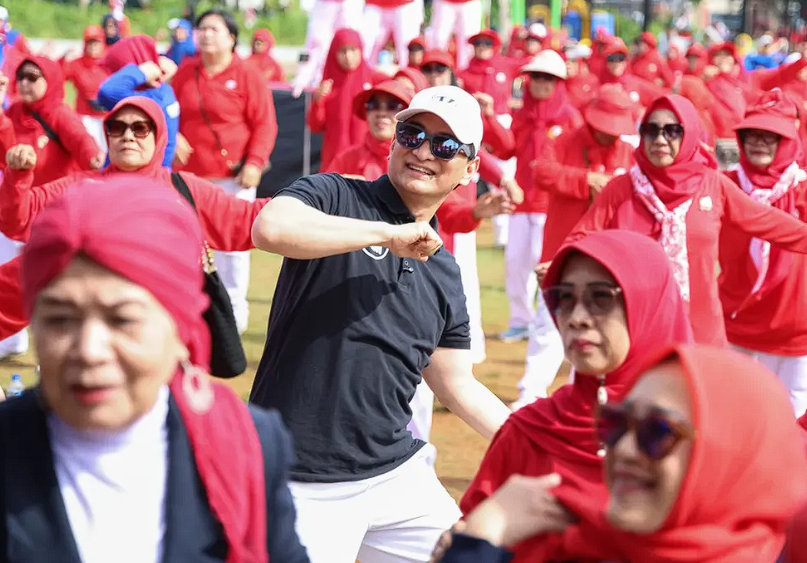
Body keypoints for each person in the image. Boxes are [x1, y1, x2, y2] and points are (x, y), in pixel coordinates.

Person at [249, 85, 512, 563]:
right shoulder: (335, 194)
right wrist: (387, 234)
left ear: (471, 169)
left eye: (445, 145)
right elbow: (270, 228)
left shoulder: (444, 270)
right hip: (304, 477)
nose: (423, 152)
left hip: (395, 473)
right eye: (412, 134)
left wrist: (537, 443)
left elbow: (456, 385)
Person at [0, 177, 309, 563]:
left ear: (180, 330)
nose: (89, 351)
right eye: (60, 320)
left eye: (122, 320)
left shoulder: (251, 444)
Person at [441, 344, 807, 563]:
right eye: (616, 423)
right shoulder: (586, 546)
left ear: (729, 458)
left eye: (658, 431)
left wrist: (480, 541)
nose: (626, 450)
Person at [456, 229, 693, 562]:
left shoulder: (694, 434)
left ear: (649, 304)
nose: (577, 318)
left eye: (601, 297)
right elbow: (473, 538)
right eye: (563, 298)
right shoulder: (530, 432)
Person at [566, 94, 807, 346]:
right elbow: (582, 237)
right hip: (635, 325)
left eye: (672, 131)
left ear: (690, 133)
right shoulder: (622, 189)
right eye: (651, 130)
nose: (660, 139)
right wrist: (559, 267)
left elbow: (766, 221)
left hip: (700, 329)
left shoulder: (712, 185)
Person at [0, 97, 266, 276]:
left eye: (140, 128)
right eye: (117, 128)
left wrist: (306, 193)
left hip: (164, 335)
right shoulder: (82, 188)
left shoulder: (184, 189)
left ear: (159, 135)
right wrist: (18, 177)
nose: (127, 136)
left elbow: (248, 220)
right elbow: (17, 221)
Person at [172, 8, 278, 335]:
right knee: (188, 244)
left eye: (213, 29)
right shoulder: (184, 72)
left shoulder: (246, 75)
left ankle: (233, 314)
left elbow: (265, 123)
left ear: (231, 38)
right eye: (201, 28)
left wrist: (255, 162)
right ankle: (192, 310)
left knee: (233, 251)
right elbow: (165, 109)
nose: (205, 34)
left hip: (232, 177)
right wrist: (172, 135)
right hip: (189, 177)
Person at [719, 90, 807, 416]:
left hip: (794, 328)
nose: (759, 143)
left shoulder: (802, 188)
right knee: (734, 413)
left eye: (771, 136)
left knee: (791, 421)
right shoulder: (723, 184)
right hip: (735, 321)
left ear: (788, 141)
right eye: (751, 134)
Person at [0, 56, 103, 186]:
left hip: (56, 197)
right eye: (20, 76)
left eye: (32, 77)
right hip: (24, 196)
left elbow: (79, 138)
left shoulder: (59, 113)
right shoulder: (14, 111)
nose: (24, 82)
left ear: (50, 79)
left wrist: (92, 157)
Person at [307, 29, 384, 171]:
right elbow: (315, 125)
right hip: (335, 162)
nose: (348, 56)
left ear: (361, 51)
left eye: (353, 50)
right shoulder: (327, 86)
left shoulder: (374, 80)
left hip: (366, 164)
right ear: (333, 54)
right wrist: (318, 102)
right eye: (343, 51)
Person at [97, 35, 180, 167]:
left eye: (118, 71)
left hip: (138, 181)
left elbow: (107, 92)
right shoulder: (163, 92)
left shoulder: (146, 99)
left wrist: (140, 72)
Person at [326, 79, 414, 178]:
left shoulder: (416, 160)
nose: (381, 113)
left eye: (392, 106)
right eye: (374, 106)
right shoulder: (347, 159)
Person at [291, 0, 364, 97]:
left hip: (350, 3)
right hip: (325, 2)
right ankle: (306, 77)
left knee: (352, 41)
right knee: (316, 40)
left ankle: (358, 82)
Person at [61, 25, 109, 150]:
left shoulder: (109, 62)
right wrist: (63, 58)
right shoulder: (77, 64)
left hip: (106, 115)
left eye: (96, 43)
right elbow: (57, 76)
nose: (93, 46)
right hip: (85, 116)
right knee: (87, 150)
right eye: (90, 42)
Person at [359, 0, 423, 67]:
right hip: (374, 5)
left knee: (406, 50)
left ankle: (409, 75)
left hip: (405, 4)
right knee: (366, 48)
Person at [427, 0, 481, 69]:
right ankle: (435, 70)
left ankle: (467, 75)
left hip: (469, 2)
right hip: (443, 2)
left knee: (469, 43)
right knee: (438, 40)